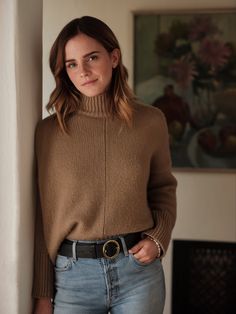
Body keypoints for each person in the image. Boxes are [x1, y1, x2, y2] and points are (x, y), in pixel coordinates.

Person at [32, 16, 177, 314]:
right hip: (72, 278)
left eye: (91, 58)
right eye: (71, 64)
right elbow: (42, 218)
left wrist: (158, 238)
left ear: (113, 57)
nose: (82, 71)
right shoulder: (49, 132)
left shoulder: (150, 121)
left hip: (138, 272)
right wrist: (42, 294)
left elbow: (163, 188)